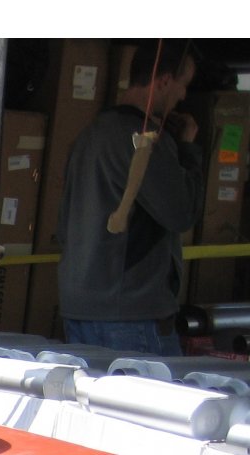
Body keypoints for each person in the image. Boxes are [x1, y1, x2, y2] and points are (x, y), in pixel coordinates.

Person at [58, 40, 203, 356]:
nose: (183, 96)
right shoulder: (144, 141)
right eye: (183, 85)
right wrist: (189, 150)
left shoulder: (90, 134)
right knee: (156, 404)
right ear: (164, 81)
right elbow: (182, 212)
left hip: (80, 305)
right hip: (130, 312)